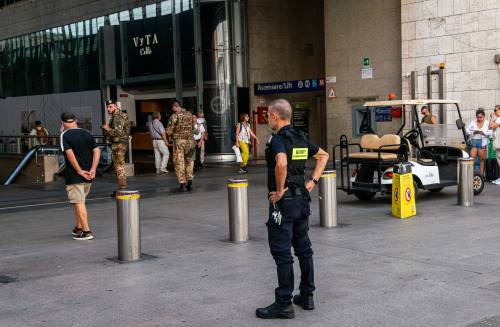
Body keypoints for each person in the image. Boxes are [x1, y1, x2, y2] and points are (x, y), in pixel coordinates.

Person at [256, 99, 329, 319]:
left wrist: (279, 191)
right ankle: (307, 296)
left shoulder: (278, 140)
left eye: (268, 116)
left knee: (282, 252)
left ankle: (283, 303)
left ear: (275, 117)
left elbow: (281, 163)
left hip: (285, 204)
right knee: (304, 249)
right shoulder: (300, 137)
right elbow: (323, 156)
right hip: (301, 201)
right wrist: (312, 182)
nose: (267, 119)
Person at [60, 112, 101, 240]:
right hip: (89, 174)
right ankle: (78, 228)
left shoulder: (64, 135)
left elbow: (69, 155)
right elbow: (97, 150)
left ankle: (86, 231)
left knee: (79, 203)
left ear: (62, 123)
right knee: (80, 202)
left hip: (75, 175)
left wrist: (78, 170)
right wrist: (93, 169)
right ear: (75, 121)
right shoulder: (86, 133)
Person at [166, 100, 195, 192]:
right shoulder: (190, 114)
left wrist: (170, 132)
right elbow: (193, 127)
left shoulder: (174, 116)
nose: (172, 109)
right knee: (189, 161)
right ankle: (190, 181)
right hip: (190, 141)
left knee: (179, 162)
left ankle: (182, 184)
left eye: (172, 107)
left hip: (179, 141)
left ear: (175, 107)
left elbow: (169, 131)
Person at [102, 100, 130, 190]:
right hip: (118, 143)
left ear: (116, 107)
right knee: (118, 165)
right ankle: (122, 186)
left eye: (110, 107)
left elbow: (117, 132)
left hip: (119, 144)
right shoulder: (116, 116)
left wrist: (107, 128)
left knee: (119, 165)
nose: (108, 109)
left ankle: (123, 187)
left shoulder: (118, 116)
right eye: (107, 107)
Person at [467, 108, 491, 175]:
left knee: (482, 159)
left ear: (484, 116)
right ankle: (470, 175)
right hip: (474, 141)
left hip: (483, 142)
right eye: (478, 117)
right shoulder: (473, 122)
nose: (479, 119)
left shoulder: (487, 123)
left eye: (481, 117)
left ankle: (481, 175)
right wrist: (473, 132)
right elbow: (467, 130)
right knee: (471, 159)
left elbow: (490, 132)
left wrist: (483, 133)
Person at [489, 105, 500, 184]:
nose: (494, 112)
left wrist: (492, 118)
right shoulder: (497, 119)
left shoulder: (499, 119)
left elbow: (491, 126)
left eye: (495, 110)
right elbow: (490, 128)